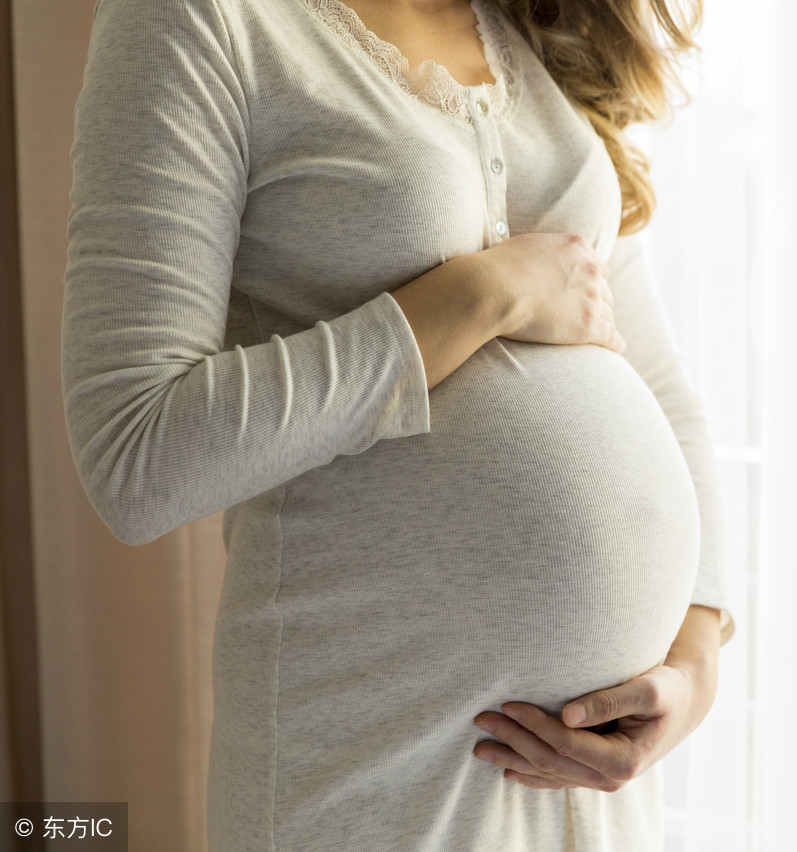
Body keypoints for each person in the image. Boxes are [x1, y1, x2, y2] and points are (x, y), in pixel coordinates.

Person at [61, 0, 735, 848]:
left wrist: (694, 668)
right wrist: (479, 298)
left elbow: (658, 384)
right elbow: (134, 454)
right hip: (374, 767)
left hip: (593, 785)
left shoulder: (530, 23)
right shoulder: (203, 19)